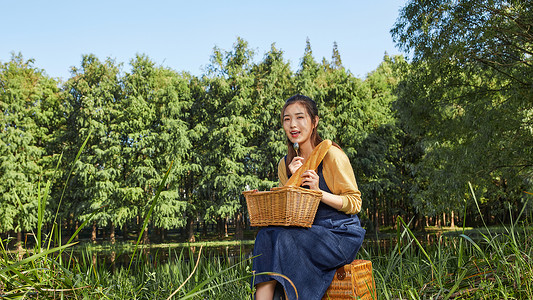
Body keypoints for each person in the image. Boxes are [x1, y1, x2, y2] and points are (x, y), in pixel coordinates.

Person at [252, 94, 366, 300]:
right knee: (266, 235)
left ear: (314, 122)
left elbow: (355, 203)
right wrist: (292, 180)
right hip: (304, 231)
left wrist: (318, 193)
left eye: (299, 118)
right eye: (287, 119)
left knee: (285, 238)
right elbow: (284, 215)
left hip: (339, 234)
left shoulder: (331, 155)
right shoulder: (284, 164)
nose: (292, 125)